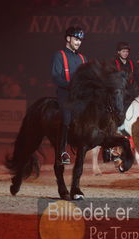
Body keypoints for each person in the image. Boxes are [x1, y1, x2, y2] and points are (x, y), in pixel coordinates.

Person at [51, 26, 86, 165]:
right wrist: (71, 86)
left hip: (80, 96)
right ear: (68, 38)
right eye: (76, 39)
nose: (78, 42)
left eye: (80, 40)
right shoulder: (59, 55)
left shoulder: (83, 58)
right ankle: (62, 152)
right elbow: (55, 77)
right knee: (66, 118)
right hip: (65, 94)